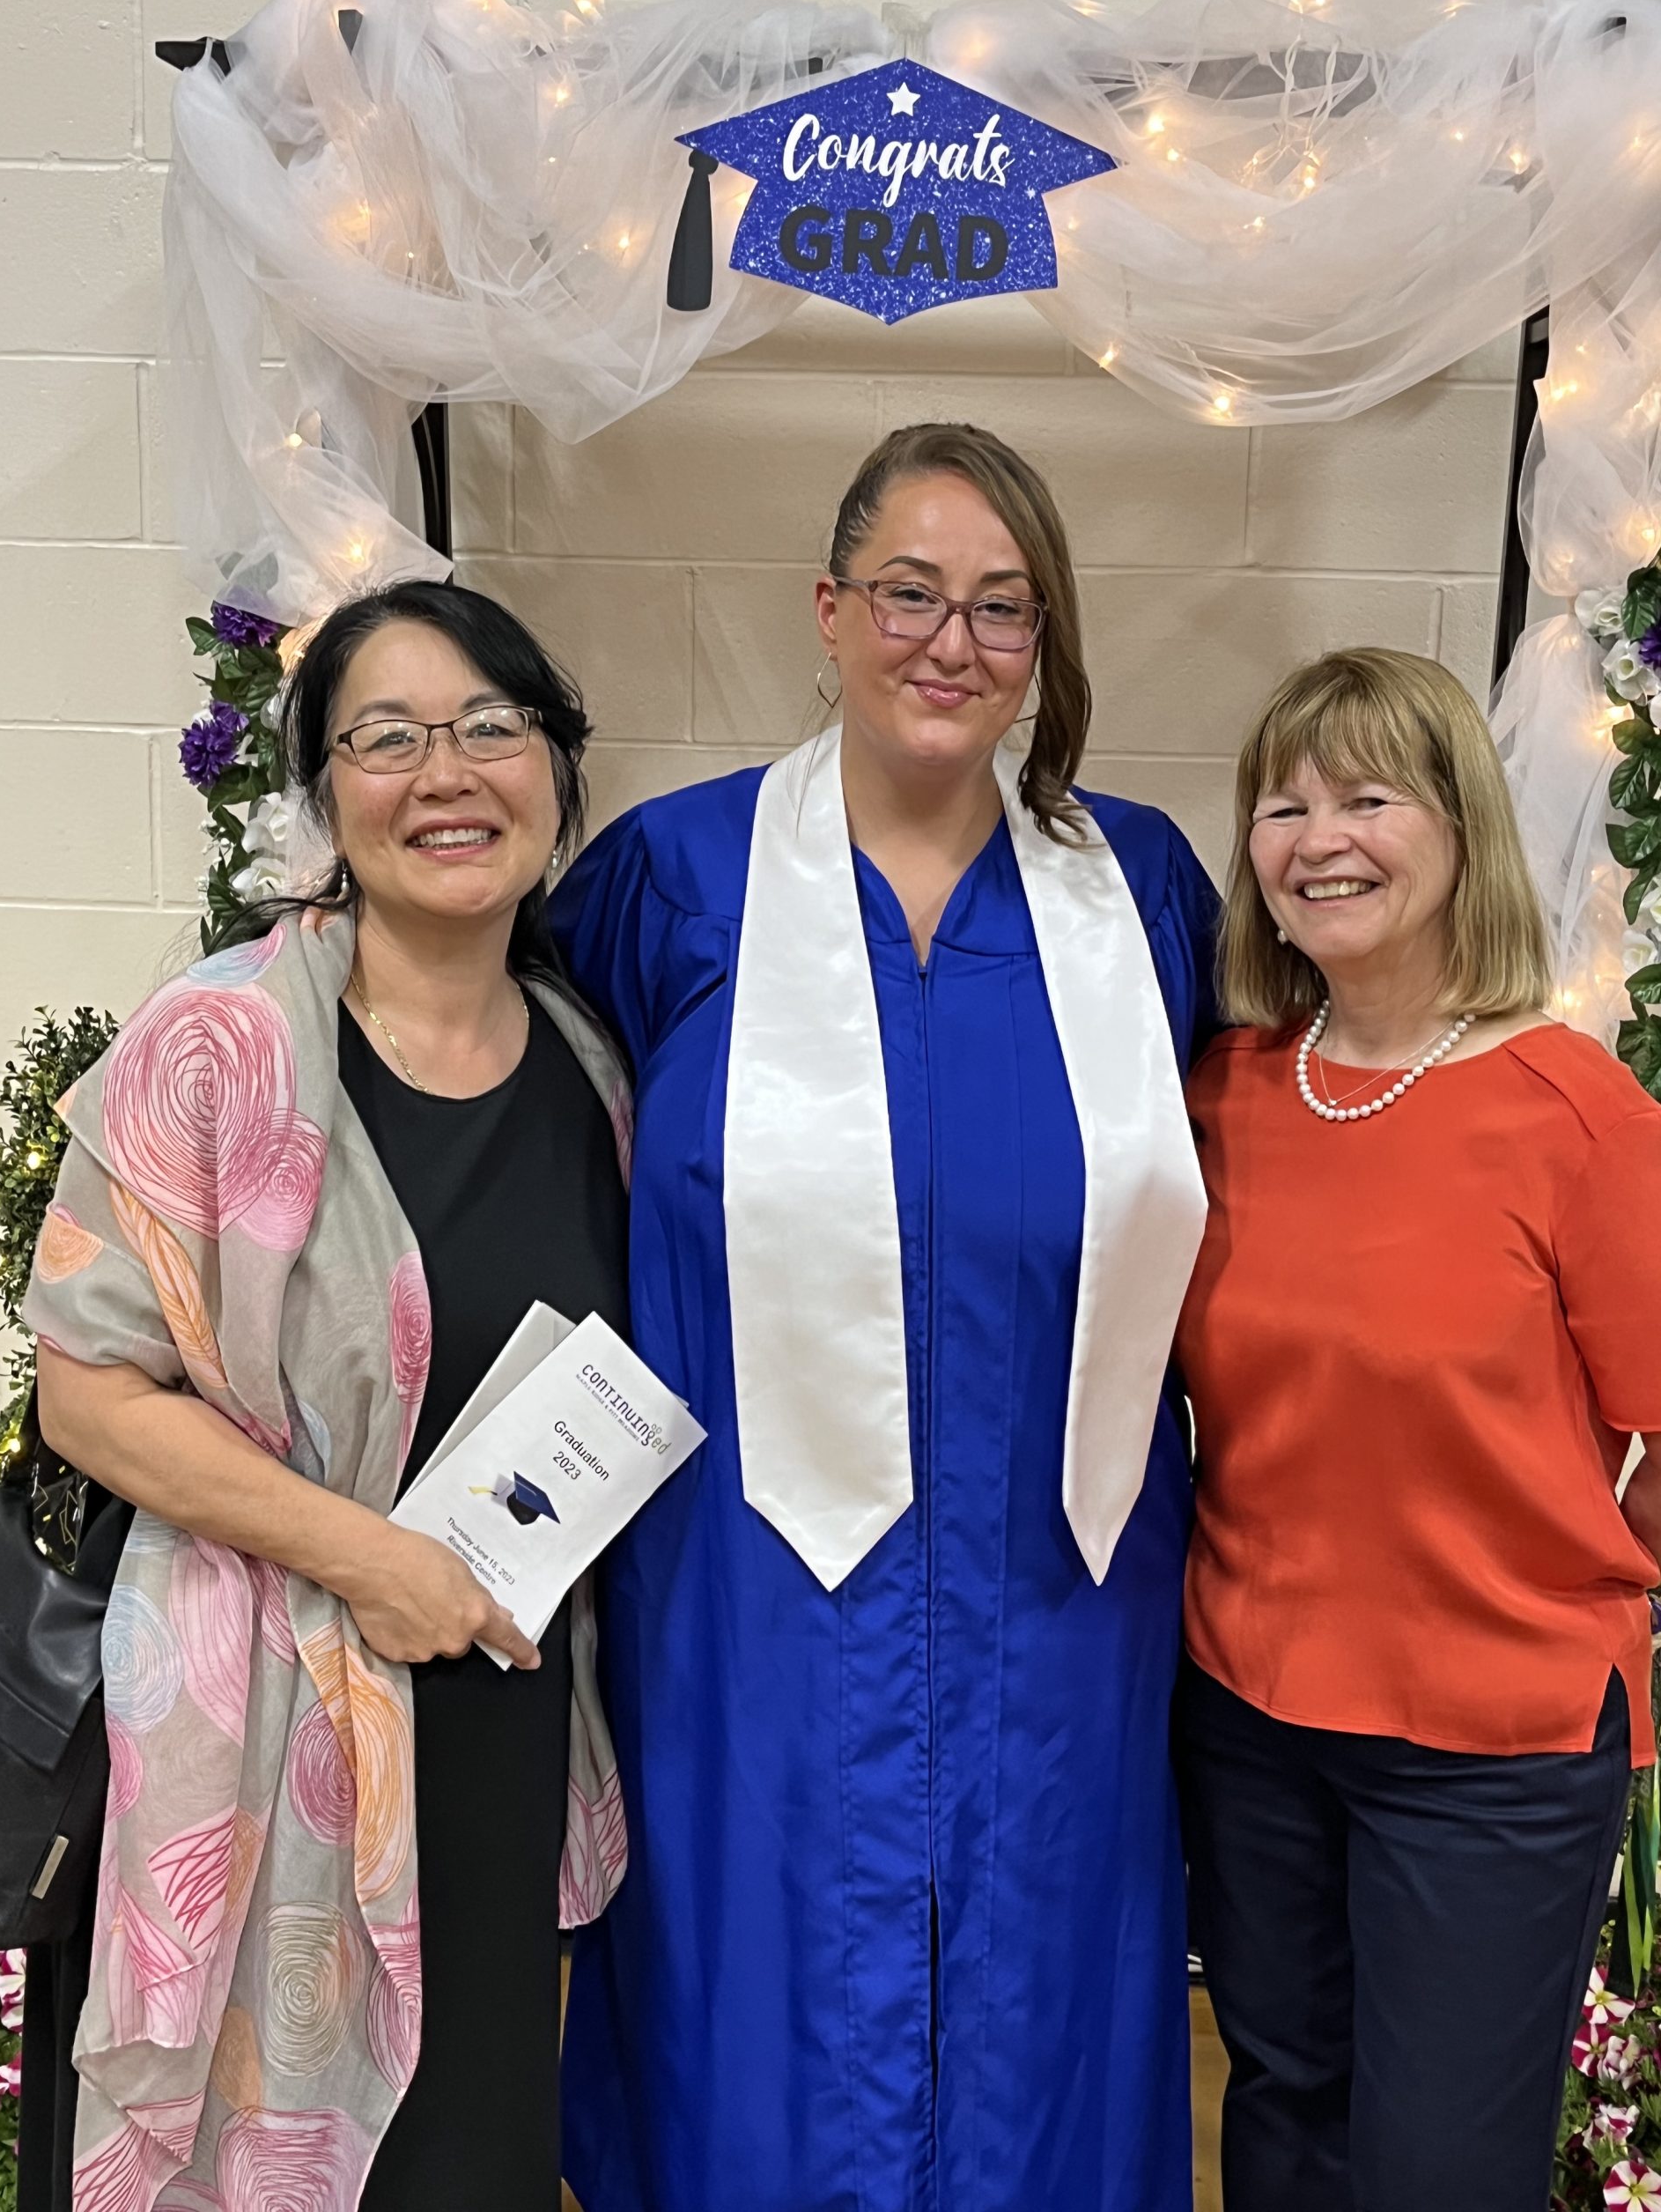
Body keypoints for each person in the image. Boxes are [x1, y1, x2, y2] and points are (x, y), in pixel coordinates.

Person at [548, 419, 1219, 2212]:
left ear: (1046, 646)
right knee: (754, 2018)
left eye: (1005, 608)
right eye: (912, 593)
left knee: (1047, 2020)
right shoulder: (672, 879)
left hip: (1062, 1586)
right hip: (746, 1597)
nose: (953, 640)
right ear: (829, 610)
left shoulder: (1136, 889)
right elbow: (524, 1121)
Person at [19, 581, 631, 2212]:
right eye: (387, 737)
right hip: (263, 1713)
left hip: (496, 1726)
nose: (448, 772)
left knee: (470, 2161)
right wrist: (371, 1559)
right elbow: (86, 1395)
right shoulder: (218, 1047)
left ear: (557, 773)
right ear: (325, 795)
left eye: (492, 727)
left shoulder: (592, 1062)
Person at [1173, 647, 1661, 2212]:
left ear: (1458, 827)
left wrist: (1564, 1593)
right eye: (1283, 801)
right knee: (1287, 2112)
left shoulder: (1573, 1111)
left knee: (1438, 2167)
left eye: (1370, 795)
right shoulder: (1222, 1096)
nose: (1320, 835)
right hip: (1250, 1713)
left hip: (1494, 1745)